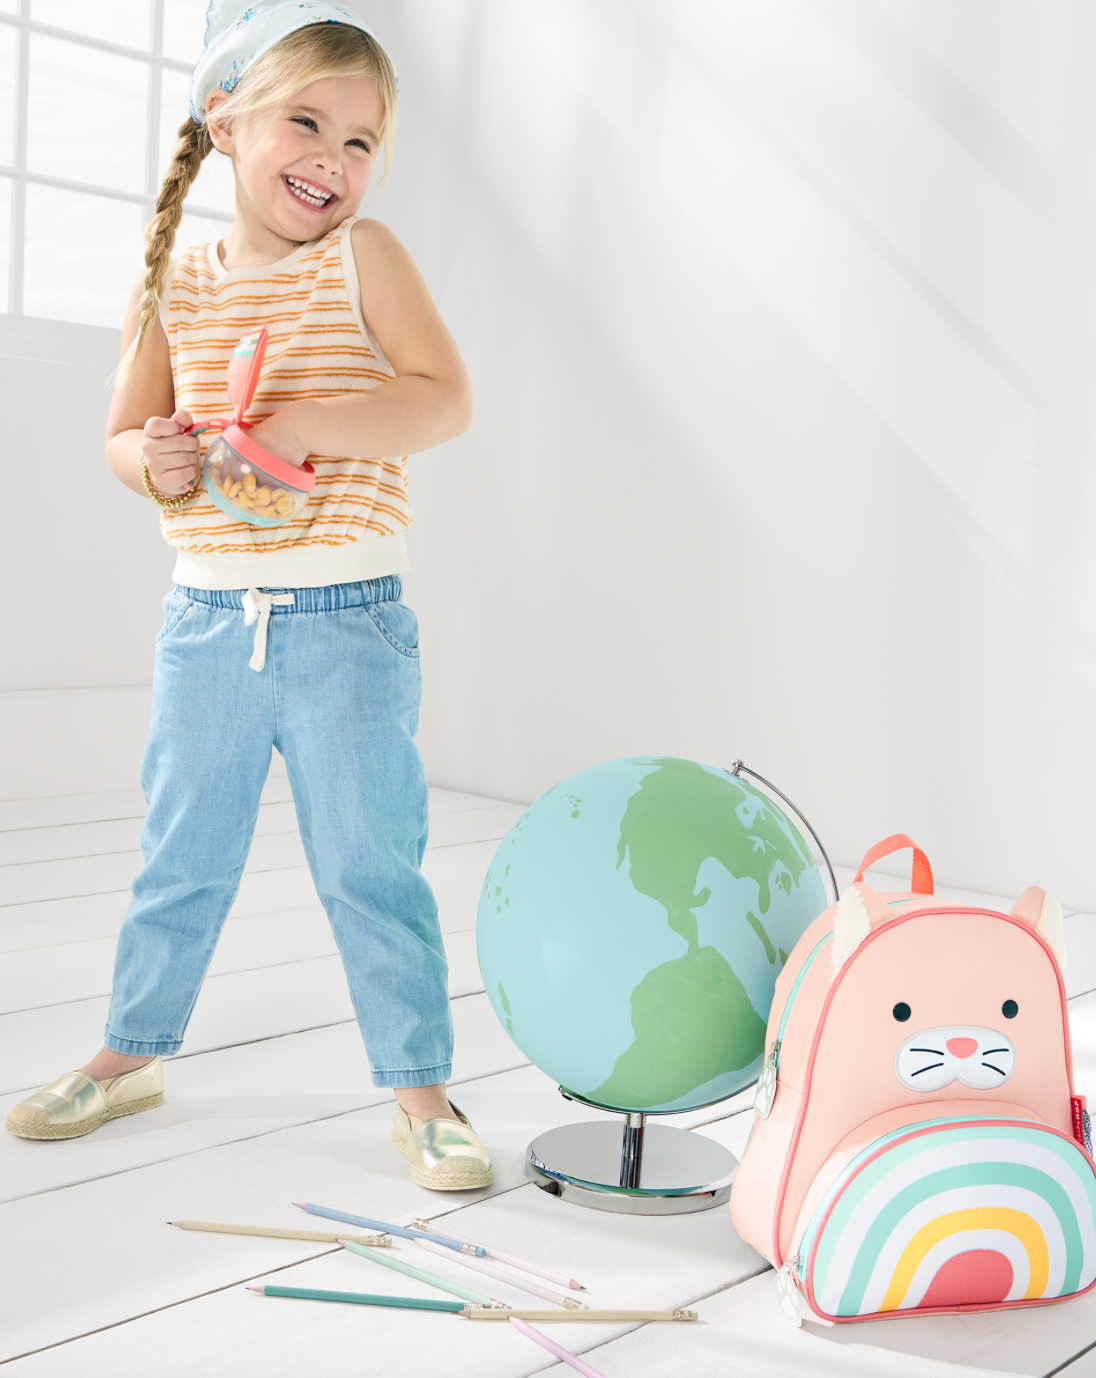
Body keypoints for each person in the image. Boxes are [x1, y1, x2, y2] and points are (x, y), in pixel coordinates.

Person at [6, 1, 491, 1192]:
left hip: (348, 620)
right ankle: (130, 1054)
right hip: (208, 623)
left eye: (362, 140)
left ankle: (421, 1089)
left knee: (371, 861)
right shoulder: (174, 282)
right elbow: (124, 439)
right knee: (182, 854)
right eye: (307, 123)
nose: (335, 158)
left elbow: (442, 397)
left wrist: (307, 420)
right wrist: (157, 460)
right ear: (225, 123)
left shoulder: (363, 258)